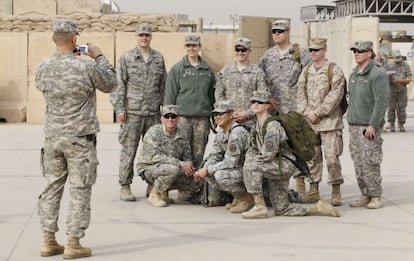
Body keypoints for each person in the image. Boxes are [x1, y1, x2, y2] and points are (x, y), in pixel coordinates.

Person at [36, 18, 117, 258]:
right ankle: (73, 243)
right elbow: (111, 84)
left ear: (54, 38)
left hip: (52, 137)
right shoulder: (86, 67)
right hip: (80, 138)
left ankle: (48, 240)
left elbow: (42, 87)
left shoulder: (44, 66)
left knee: (51, 187)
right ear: (74, 39)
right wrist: (99, 56)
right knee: (80, 189)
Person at [241, 90, 340, 219]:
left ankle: (259, 207)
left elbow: (268, 154)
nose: (255, 104)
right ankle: (318, 208)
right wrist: (253, 157)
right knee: (282, 208)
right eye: (253, 102)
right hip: (276, 164)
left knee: (251, 167)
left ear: (268, 105)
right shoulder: (257, 126)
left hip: (284, 165)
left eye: (260, 102)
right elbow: (254, 148)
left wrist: (253, 161)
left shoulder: (272, 125)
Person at [110, 23, 167, 201]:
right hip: (132, 112)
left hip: (153, 113)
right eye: (141, 35)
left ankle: (152, 185)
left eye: (147, 35)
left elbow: (164, 86)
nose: (144, 38)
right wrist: (119, 108)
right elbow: (118, 85)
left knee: (154, 151)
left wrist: (164, 110)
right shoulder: (126, 58)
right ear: (136, 36)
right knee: (129, 150)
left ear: (151, 37)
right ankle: (125, 185)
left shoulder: (158, 58)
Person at [164, 34, 216, 201]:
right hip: (183, 118)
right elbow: (170, 95)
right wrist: (168, 118)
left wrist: (214, 116)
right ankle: (181, 187)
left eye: (194, 46)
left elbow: (212, 95)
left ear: (199, 47)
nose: (191, 49)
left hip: (202, 118)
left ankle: (194, 188)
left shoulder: (207, 70)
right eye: (188, 46)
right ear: (185, 48)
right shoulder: (178, 69)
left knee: (198, 154)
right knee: (182, 154)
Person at [296, 38, 346, 206]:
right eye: (311, 50)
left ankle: (335, 189)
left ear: (324, 50)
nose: (313, 53)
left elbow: (335, 96)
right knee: (312, 157)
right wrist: (307, 112)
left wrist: (318, 113)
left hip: (330, 123)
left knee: (332, 158)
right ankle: (314, 188)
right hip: (310, 122)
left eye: (316, 50)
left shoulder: (334, 70)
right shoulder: (306, 71)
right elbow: (300, 94)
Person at [347, 41, 390, 209]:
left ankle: (375, 195)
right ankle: (365, 193)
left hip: (368, 126)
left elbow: (381, 102)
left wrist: (373, 124)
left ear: (369, 53)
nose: (356, 53)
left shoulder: (377, 74)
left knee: (370, 161)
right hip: (354, 125)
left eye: (360, 51)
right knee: (358, 162)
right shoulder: (354, 75)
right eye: (355, 51)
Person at [194, 100, 252, 213]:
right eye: (215, 114)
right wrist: (206, 167)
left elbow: (231, 162)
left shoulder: (237, 133)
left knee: (220, 175)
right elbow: (214, 155)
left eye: (221, 114)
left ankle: (246, 197)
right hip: (236, 169)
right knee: (208, 169)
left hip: (248, 170)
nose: (217, 117)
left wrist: (207, 170)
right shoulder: (221, 133)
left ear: (231, 115)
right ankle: (238, 197)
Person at [136, 105, 197, 207]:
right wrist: (180, 163)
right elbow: (155, 157)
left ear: (178, 119)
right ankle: (155, 194)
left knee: (197, 178)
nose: (170, 119)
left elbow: (187, 155)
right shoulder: (154, 132)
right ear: (161, 119)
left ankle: (164, 192)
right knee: (172, 169)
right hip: (149, 168)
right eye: (166, 116)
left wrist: (189, 166)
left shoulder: (182, 134)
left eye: (173, 116)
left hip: (171, 168)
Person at [258, 19, 311, 114]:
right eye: (274, 31)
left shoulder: (301, 54)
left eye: (280, 31)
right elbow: (259, 79)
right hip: (273, 110)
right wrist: (267, 96)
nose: (276, 34)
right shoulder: (267, 56)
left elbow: (310, 80)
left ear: (287, 33)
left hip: (294, 110)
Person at [215, 37, 268, 128]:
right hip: (229, 122)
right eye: (237, 50)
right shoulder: (225, 72)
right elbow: (219, 94)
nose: (240, 53)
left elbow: (262, 97)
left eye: (243, 50)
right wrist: (228, 112)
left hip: (251, 123)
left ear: (249, 51)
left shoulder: (257, 73)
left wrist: (247, 114)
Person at [386, 49, 412, 132]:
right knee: (391, 107)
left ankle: (401, 124)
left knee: (402, 107)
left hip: (402, 89)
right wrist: (391, 80)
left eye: (399, 57)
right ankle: (392, 124)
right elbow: (386, 77)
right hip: (392, 89)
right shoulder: (389, 65)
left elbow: (409, 75)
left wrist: (406, 80)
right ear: (393, 57)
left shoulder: (406, 65)